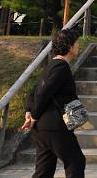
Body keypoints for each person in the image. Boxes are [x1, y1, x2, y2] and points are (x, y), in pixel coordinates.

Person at [23, 28, 86, 178]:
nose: (78, 46)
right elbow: (42, 93)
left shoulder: (52, 65)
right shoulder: (61, 67)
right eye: (77, 43)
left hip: (44, 128)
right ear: (70, 47)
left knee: (44, 170)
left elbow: (35, 90)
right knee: (76, 163)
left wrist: (29, 112)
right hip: (55, 125)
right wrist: (34, 116)